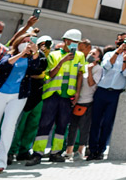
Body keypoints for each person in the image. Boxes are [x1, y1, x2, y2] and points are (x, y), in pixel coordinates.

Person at [0, 33, 46, 173]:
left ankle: (0, 163)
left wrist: (35, 53)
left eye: (30, 41)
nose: (27, 43)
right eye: (25, 40)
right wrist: (21, 53)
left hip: (18, 96)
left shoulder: (31, 58)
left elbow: (36, 68)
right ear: (19, 42)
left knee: (8, 128)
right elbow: (4, 66)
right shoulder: (8, 54)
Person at [26, 29, 87, 166]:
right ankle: (38, 153)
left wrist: (77, 93)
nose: (75, 45)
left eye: (77, 42)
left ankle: (56, 153)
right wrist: (63, 61)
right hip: (52, 95)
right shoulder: (53, 55)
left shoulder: (80, 56)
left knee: (62, 126)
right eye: (73, 41)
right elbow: (51, 74)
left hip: (68, 97)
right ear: (66, 41)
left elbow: (79, 75)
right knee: (45, 124)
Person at [86, 34, 126, 160]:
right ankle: (92, 149)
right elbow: (106, 66)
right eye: (121, 39)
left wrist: (125, 58)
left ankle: (101, 150)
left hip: (115, 93)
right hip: (102, 91)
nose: (123, 42)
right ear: (117, 41)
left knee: (107, 123)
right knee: (95, 121)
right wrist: (117, 53)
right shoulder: (109, 54)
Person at [9, 35, 52, 163]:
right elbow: (32, 70)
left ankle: (24, 151)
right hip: (24, 92)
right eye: (43, 43)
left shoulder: (44, 57)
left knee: (32, 125)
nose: (45, 46)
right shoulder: (25, 55)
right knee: (19, 125)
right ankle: (11, 151)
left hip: (38, 94)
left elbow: (41, 69)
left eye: (48, 44)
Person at [65, 46, 101, 161]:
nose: (91, 55)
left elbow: (91, 83)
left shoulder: (98, 69)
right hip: (77, 101)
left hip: (88, 101)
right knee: (72, 127)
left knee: (84, 127)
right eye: (90, 53)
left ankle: (80, 151)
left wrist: (90, 70)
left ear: (98, 58)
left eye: (94, 54)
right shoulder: (82, 67)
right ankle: (68, 151)